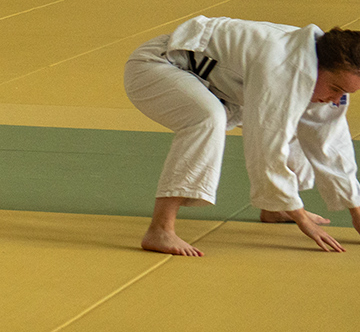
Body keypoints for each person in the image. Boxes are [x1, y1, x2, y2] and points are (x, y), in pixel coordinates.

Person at [125, 17, 360, 256]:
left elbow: (331, 142)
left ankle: (275, 209)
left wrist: (356, 211)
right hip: (158, 66)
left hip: (218, 84)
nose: (335, 98)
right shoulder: (281, 66)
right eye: (335, 88)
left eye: (345, 92)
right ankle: (160, 229)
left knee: (301, 117)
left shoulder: (318, 68)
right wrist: (301, 218)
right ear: (319, 66)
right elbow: (266, 148)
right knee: (207, 118)